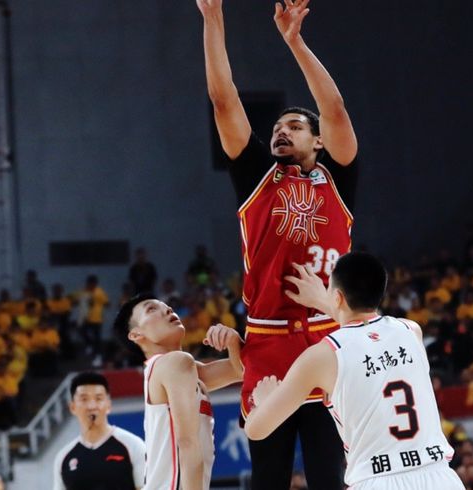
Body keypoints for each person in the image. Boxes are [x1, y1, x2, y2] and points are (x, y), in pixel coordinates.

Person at [196, 0, 358, 488]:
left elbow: (334, 109)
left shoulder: (339, 177)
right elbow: (224, 100)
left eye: (294, 127)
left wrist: (295, 41)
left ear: (319, 142)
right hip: (267, 343)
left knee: (330, 479)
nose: (281, 132)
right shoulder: (255, 177)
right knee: (268, 479)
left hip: (328, 337)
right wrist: (213, 18)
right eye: (276, 129)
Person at [245, 252, 465, 490]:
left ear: (337, 297)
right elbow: (366, 330)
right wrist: (325, 301)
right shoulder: (411, 330)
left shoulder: (322, 355)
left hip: (377, 481)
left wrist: (260, 401)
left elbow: (256, 431)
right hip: (439, 477)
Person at [114, 293, 243, 490]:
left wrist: (233, 342)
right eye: (151, 309)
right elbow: (187, 442)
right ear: (136, 334)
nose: (167, 309)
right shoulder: (175, 363)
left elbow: (244, 371)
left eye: (165, 306)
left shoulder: (181, 369)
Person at [53, 372, 146, 490]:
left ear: (108, 405)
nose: (92, 406)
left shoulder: (133, 445)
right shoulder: (63, 457)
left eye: (98, 398)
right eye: (84, 399)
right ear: (72, 407)